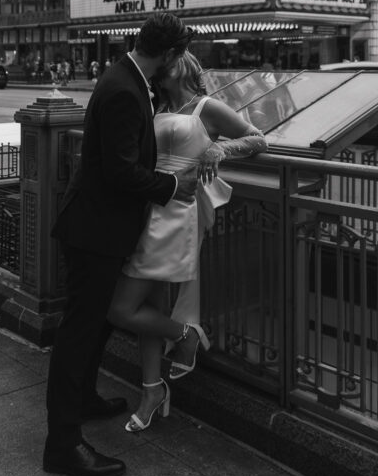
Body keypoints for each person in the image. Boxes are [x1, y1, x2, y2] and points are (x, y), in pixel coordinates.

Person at [43, 12, 197, 476]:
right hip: (96, 232)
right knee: (78, 333)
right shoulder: (126, 91)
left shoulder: (123, 76)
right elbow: (120, 171)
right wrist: (173, 185)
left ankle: (85, 399)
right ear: (169, 56)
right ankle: (63, 444)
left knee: (95, 328)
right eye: (180, 56)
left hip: (97, 227)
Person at [108, 50, 267, 433]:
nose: (164, 63)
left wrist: (220, 148)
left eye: (173, 57)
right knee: (150, 303)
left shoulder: (207, 106)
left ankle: (186, 336)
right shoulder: (155, 103)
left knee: (119, 308)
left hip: (177, 214)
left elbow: (257, 138)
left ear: (185, 65)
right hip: (147, 207)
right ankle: (151, 390)